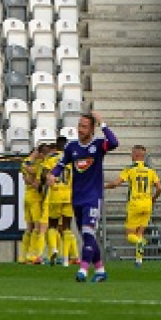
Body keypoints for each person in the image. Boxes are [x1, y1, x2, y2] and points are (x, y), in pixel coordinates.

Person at [47, 112, 118, 283]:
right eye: (79, 126)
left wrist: (103, 123)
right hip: (76, 197)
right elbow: (61, 164)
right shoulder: (72, 147)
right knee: (87, 235)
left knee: (88, 232)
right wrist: (52, 174)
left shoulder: (99, 145)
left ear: (92, 129)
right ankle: (100, 270)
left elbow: (114, 143)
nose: (80, 129)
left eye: (84, 126)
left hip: (93, 196)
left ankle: (83, 269)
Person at [105, 144, 161, 267]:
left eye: (132, 154)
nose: (131, 156)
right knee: (140, 233)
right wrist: (154, 198)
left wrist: (103, 186)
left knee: (130, 234)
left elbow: (116, 184)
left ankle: (139, 243)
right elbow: (159, 188)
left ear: (136, 155)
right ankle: (139, 260)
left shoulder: (130, 169)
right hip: (147, 204)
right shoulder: (151, 170)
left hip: (135, 204)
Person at [47, 137, 79, 266]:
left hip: (55, 195)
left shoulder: (50, 159)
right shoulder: (73, 160)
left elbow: (45, 175)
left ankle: (54, 249)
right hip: (69, 195)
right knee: (67, 227)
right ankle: (66, 259)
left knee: (52, 225)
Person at [19, 144, 44, 263]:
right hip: (34, 198)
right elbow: (35, 182)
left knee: (29, 227)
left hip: (27, 196)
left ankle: (22, 255)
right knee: (37, 227)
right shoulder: (37, 165)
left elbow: (27, 178)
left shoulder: (24, 162)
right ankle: (32, 254)